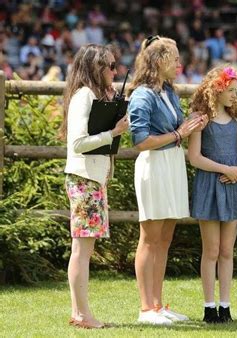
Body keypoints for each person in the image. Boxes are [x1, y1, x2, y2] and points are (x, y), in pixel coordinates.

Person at [127, 35, 207, 325]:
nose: (179, 64)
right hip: (154, 165)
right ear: (159, 61)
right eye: (174, 59)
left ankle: (158, 305)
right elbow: (140, 140)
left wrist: (193, 123)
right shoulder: (142, 95)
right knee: (149, 238)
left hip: (171, 163)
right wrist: (179, 134)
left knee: (165, 237)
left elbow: (179, 128)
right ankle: (145, 308)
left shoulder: (169, 91)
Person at [60, 44, 129, 328]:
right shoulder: (83, 96)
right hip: (84, 179)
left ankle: (80, 313)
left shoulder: (93, 96)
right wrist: (112, 132)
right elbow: (77, 143)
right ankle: (83, 315)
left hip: (92, 179)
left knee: (83, 249)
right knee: (82, 250)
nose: (115, 71)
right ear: (95, 68)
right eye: (110, 66)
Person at [188, 66, 237, 323]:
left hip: (233, 186)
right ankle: (209, 307)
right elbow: (195, 158)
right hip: (210, 186)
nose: (235, 95)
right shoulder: (202, 119)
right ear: (217, 90)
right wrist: (226, 169)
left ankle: (226, 306)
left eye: (236, 90)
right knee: (210, 250)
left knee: (226, 251)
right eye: (231, 91)